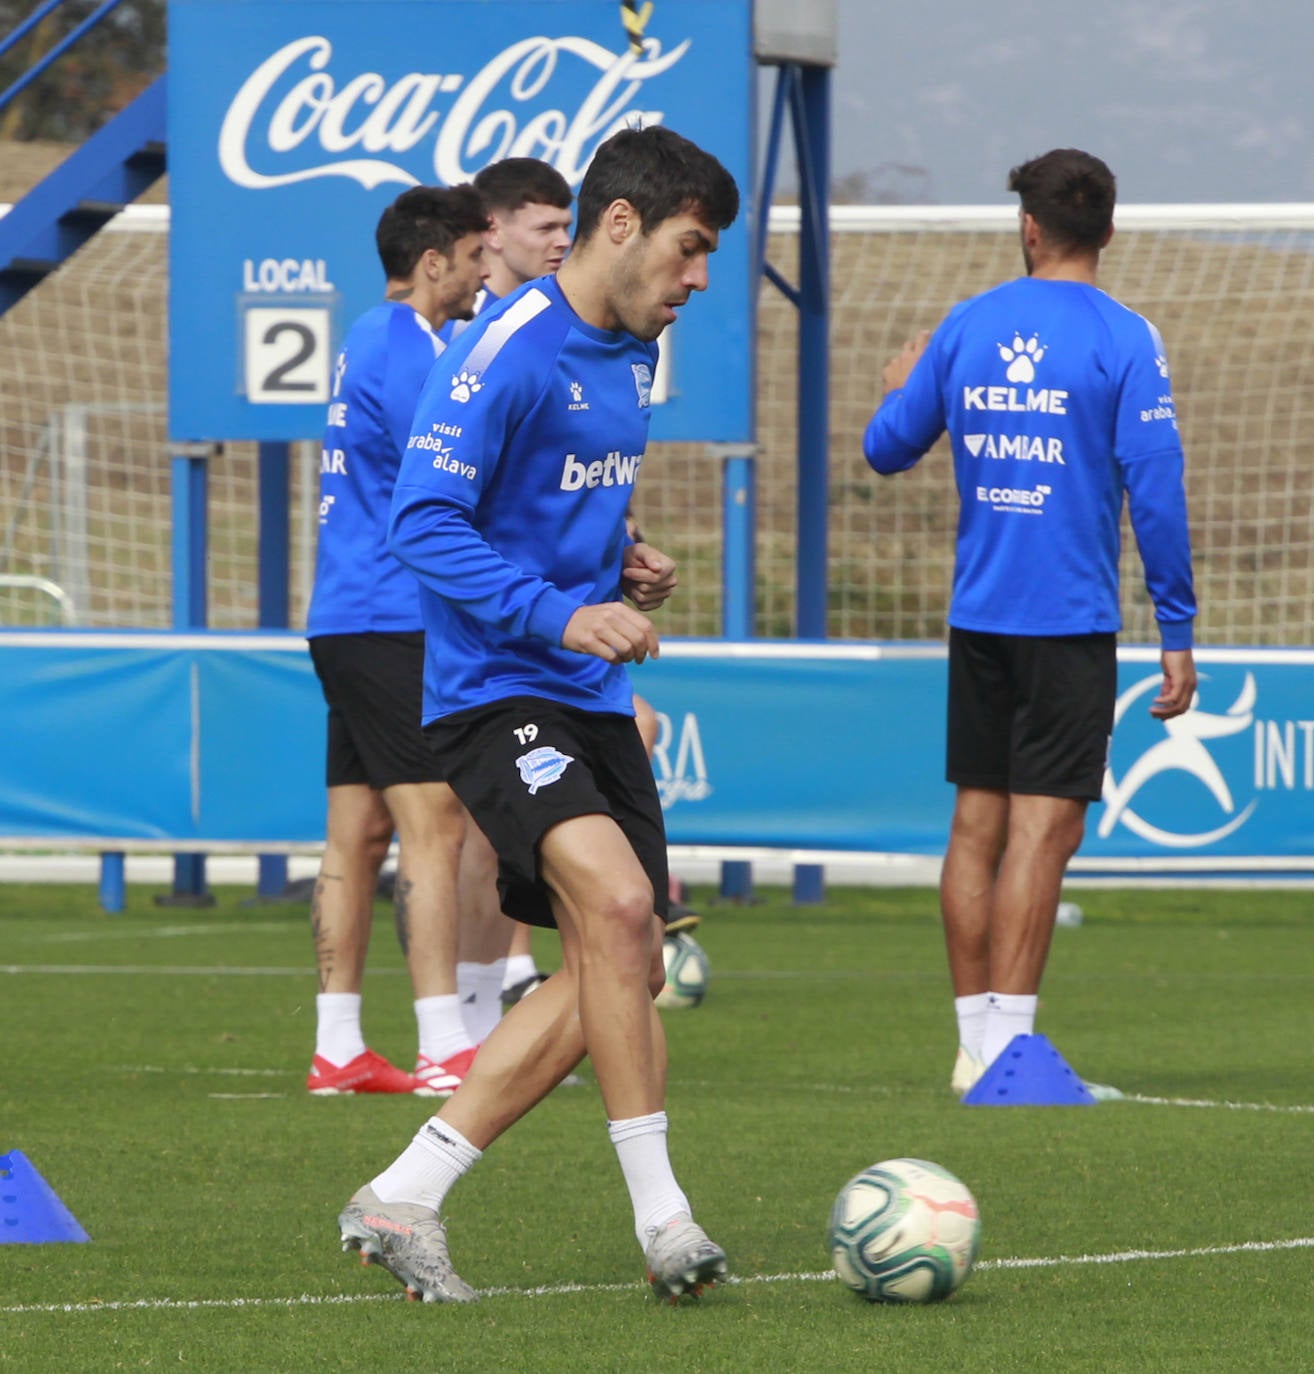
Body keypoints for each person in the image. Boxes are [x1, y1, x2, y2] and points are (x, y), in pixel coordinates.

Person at [336, 125, 740, 1304]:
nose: (699, 277)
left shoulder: (633, 356)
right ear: (624, 224)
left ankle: (405, 1194)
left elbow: (557, 497)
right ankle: (666, 1224)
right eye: (691, 247)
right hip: (494, 687)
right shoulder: (505, 345)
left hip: (587, 694)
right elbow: (424, 522)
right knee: (619, 906)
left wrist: (625, 559)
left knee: (624, 963)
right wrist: (561, 618)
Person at [862, 148, 1198, 1100]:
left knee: (976, 825)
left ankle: (977, 1046)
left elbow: (887, 451)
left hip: (981, 614)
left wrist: (902, 380)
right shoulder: (1127, 337)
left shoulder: (967, 324)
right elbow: (1158, 490)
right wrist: (1177, 623)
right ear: (1110, 231)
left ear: (1031, 227)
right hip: (1069, 618)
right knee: (1045, 832)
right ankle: (1010, 1056)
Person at [304, 184, 499, 1096]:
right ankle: (442, 1043)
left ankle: (338, 1044)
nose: (478, 278)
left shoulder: (363, 339)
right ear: (432, 263)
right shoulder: (407, 345)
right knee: (436, 823)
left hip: (347, 611)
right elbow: (470, 457)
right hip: (391, 615)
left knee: (357, 830)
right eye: (469, 260)